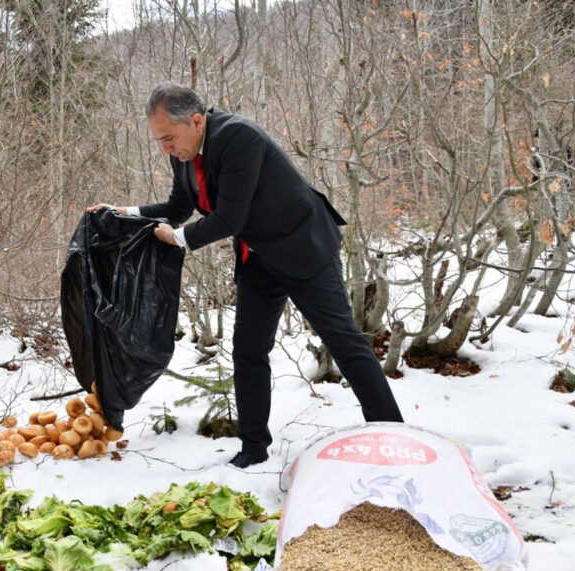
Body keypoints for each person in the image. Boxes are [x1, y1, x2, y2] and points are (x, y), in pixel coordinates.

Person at [88, 82, 404, 468]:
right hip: (257, 255)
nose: (165, 148)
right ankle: (253, 448)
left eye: (168, 138)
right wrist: (125, 212)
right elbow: (177, 206)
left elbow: (228, 218)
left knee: (343, 341)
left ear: (197, 120)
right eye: (159, 141)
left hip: (302, 245)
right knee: (249, 350)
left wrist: (179, 239)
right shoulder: (182, 151)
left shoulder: (239, 137)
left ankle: (394, 435)